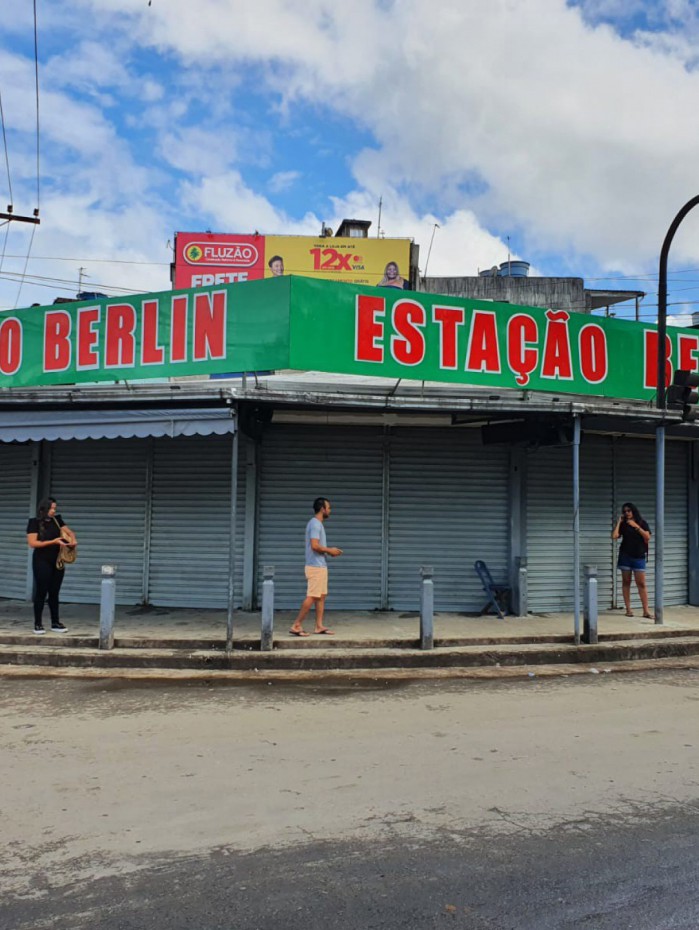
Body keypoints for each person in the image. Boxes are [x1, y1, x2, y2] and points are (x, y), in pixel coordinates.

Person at [289, 497, 343, 637]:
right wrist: (330, 550)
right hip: (315, 567)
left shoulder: (317, 524)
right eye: (328, 508)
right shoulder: (315, 524)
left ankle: (319, 626)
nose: (330, 510)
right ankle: (296, 625)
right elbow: (314, 546)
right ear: (322, 509)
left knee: (321, 596)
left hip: (320, 565)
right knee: (312, 596)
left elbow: (317, 546)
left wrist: (328, 552)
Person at [26, 497, 76, 634]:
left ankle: (55, 622)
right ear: (44, 509)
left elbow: (70, 532)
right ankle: (38, 623)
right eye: (51, 508)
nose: (53, 511)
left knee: (54, 592)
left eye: (55, 508)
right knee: (42, 591)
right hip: (42, 560)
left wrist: (72, 540)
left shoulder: (57, 519)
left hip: (57, 560)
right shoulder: (34, 522)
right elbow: (32, 543)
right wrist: (53, 542)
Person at [612, 501, 652, 619]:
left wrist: (636, 526)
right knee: (626, 582)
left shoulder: (642, 523)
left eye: (628, 510)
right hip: (625, 556)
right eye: (624, 511)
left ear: (633, 511)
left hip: (638, 556)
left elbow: (647, 537)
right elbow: (614, 536)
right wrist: (619, 521)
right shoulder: (623, 524)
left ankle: (646, 611)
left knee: (641, 583)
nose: (627, 513)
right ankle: (629, 609)